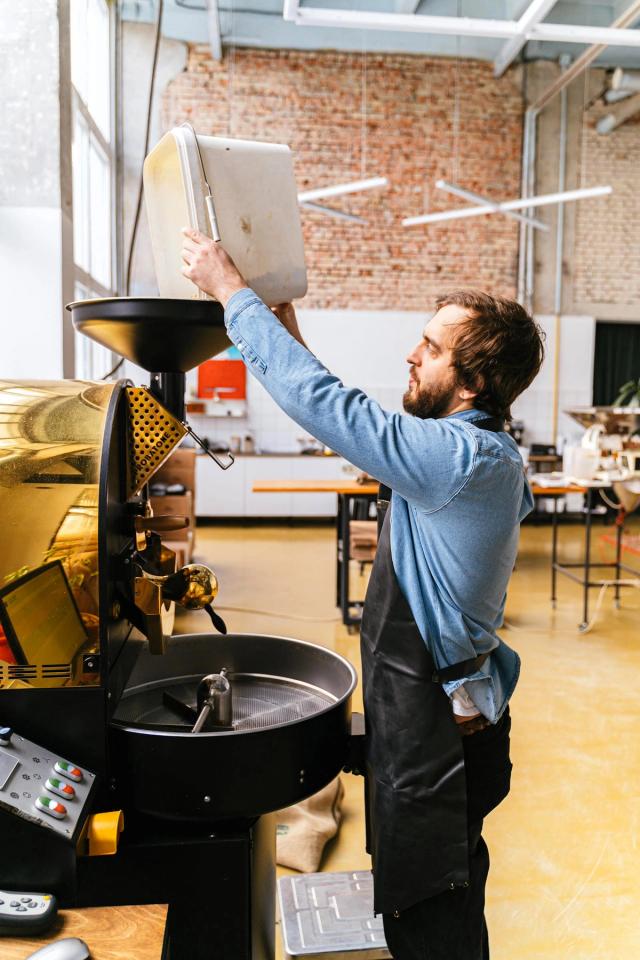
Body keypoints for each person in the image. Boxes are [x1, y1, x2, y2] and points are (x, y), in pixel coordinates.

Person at [180, 227, 544, 960]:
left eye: (432, 348)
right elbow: (338, 415)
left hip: (440, 748)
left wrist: (231, 295)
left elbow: (331, 408)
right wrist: (285, 331)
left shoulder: (462, 458)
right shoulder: (467, 451)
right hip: (426, 731)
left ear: (472, 385)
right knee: (426, 910)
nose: (412, 354)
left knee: (432, 925)